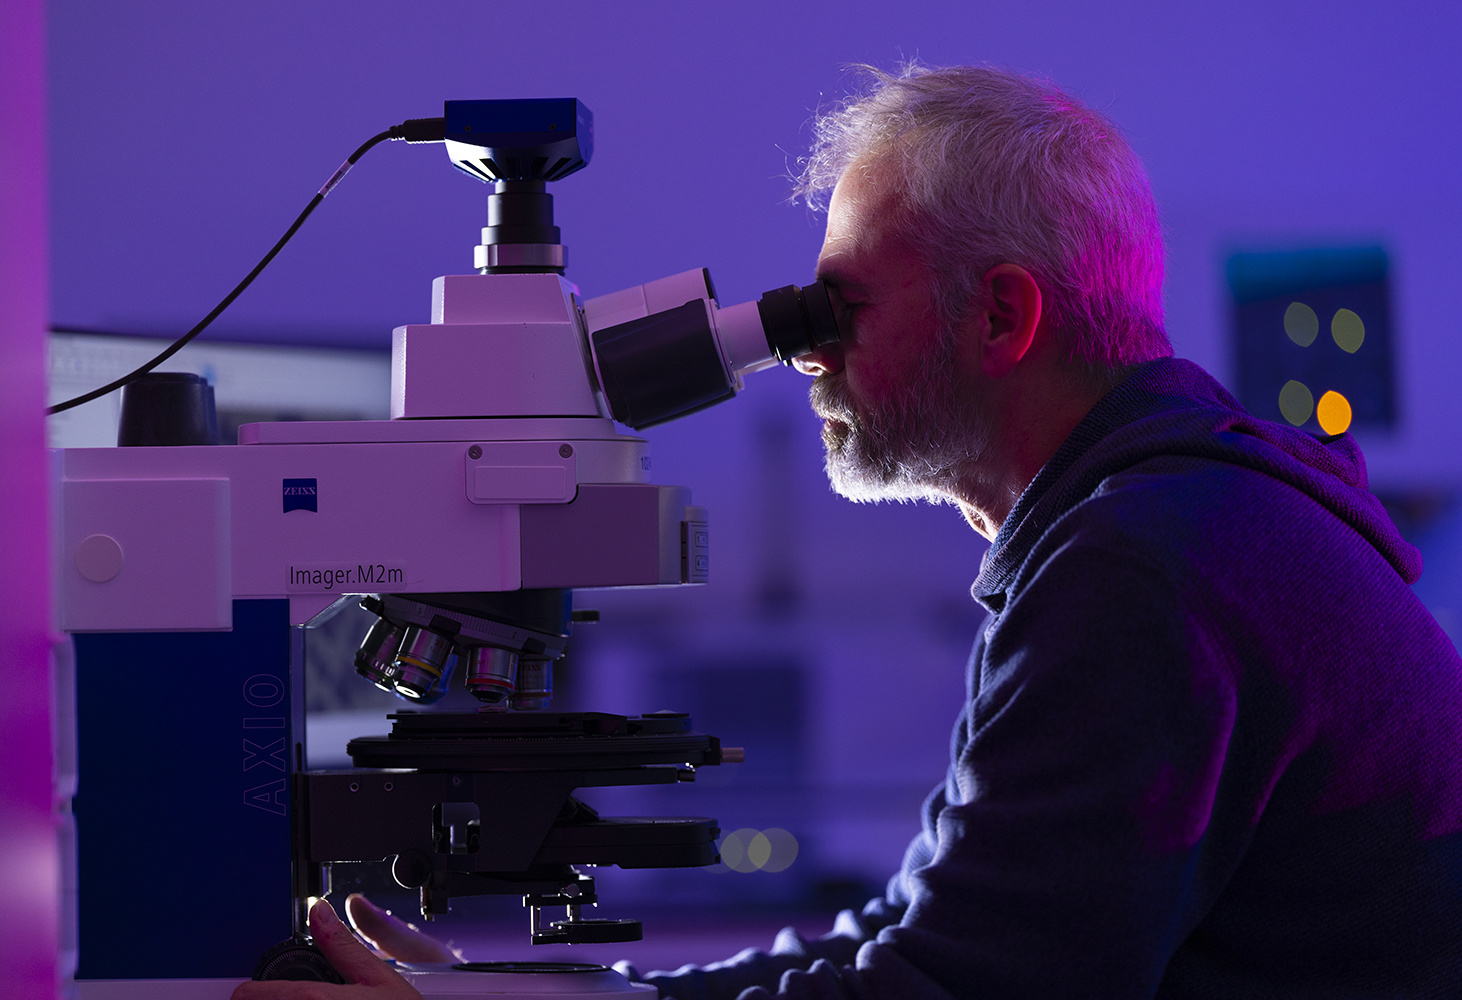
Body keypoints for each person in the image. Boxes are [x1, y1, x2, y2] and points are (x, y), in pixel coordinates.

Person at [234, 65, 1462, 999]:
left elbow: (942, 992)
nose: (806, 346)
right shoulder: (1167, 518)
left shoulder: (1145, 568)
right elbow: (911, 942)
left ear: (1002, 315)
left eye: (844, 301)